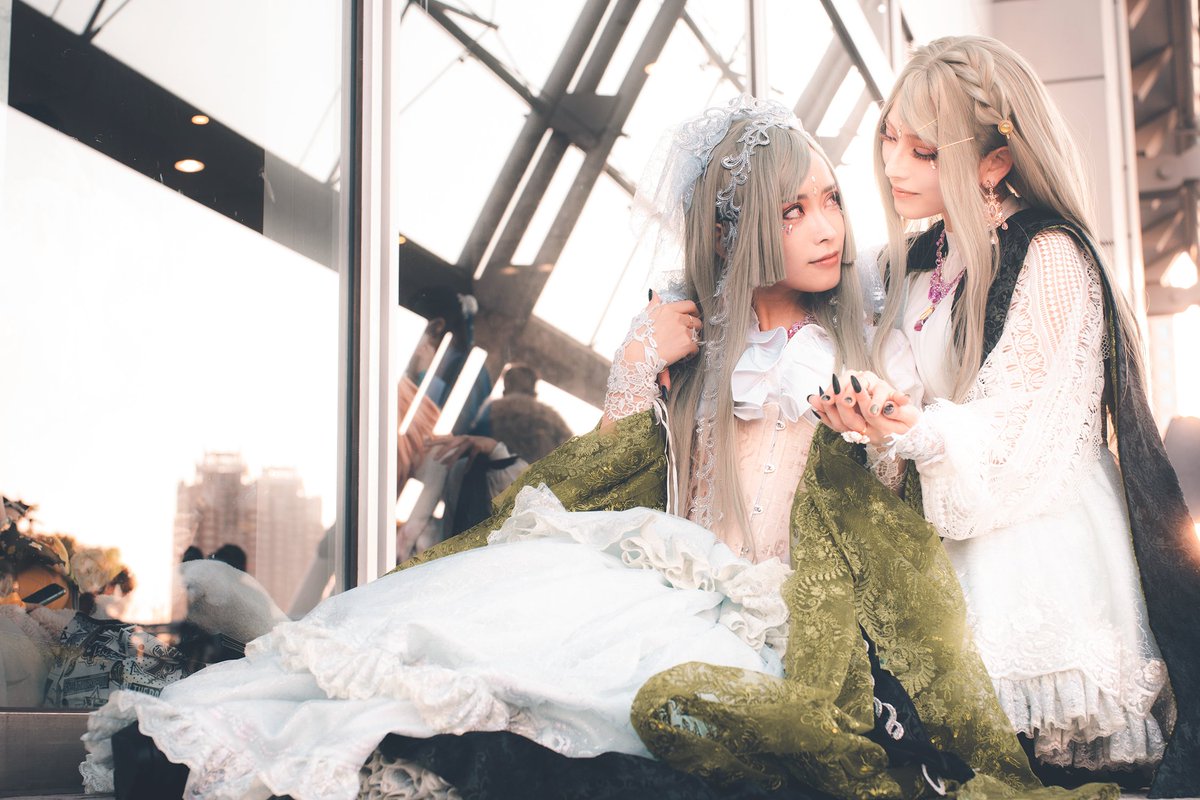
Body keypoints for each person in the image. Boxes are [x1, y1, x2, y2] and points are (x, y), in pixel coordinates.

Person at [80, 98, 1108, 800]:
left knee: (568, 698)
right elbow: (601, 477)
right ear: (734, 232)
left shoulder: (863, 339)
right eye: (793, 209)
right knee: (463, 650)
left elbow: (885, 502)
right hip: (659, 573)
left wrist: (878, 419)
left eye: (831, 198)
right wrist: (635, 375)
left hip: (771, 612)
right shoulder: (688, 344)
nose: (826, 226)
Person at [812, 35, 1199, 795]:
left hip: (1033, 545)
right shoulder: (912, 261)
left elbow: (1024, 429)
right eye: (889, 137)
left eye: (923, 151)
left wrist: (914, 432)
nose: (893, 166)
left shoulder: (1049, 254)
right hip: (939, 531)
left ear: (993, 162)